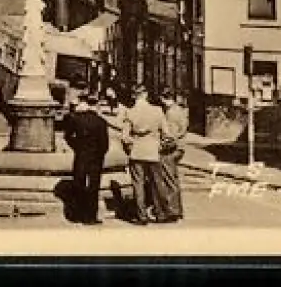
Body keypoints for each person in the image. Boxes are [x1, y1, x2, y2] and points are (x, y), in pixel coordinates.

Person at [119, 84, 170, 225]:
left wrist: (131, 145)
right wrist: (160, 145)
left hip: (137, 152)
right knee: (157, 183)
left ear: (134, 96)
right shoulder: (157, 111)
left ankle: (141, 216)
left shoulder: (130, 112)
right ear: (146, 95)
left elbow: (124, 137)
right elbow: (167, 134)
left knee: (138, 185)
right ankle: (160, 213)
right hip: (153, 151)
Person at [62, 93, 110, 224]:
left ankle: (77, 214)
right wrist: (99, 154)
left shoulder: (76, 120)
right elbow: (105, 144)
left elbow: (67, 136)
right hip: (96, 158)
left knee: (79, 183)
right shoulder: (101, 122)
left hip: (81, 155)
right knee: (93, 186)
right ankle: (90, 216)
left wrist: (76, 147)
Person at [157, 90, 189, 223]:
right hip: (180, 148)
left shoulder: (170, 113)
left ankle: (172, 212)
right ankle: (178, 210)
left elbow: (170, 135)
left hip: (171, 149)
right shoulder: (180, 110)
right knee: (174, 179)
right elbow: (183, 129)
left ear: (163, 99)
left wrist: (161, 146)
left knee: (168, 180)